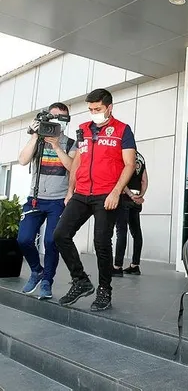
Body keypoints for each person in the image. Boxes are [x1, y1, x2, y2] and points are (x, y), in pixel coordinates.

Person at [53, 89, 137, 312]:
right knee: (60, 234)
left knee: (101, 242)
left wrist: (116, 192)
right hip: (81, 192)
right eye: (91, 109)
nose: (94, 113)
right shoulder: (83, 129)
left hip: (106, 194)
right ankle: (80, 280)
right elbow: (78, 162)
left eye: (98, 109)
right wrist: (70, 190)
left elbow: (129, 164)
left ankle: (104, 290)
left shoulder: (122, 130)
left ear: (109, 107)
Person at [17, 102, 76, 300]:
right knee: (24, 239)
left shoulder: (71, 143)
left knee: (51, 241)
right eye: (53, 117)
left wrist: (57, 146)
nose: (57, 121)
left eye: (61, 118)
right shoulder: (38, 141)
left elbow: (73, 167)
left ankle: (47, 282)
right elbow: (22, 160)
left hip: (58, 200)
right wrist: (35, 135)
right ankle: (37, 270)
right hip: (35, 199)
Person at [113, 151, 148, 276]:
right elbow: (144, 180)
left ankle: (117, 267)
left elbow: (121, 178)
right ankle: (135, 265)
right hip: (136, 199)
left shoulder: (124, 155)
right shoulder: (141, 157)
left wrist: (130, 195)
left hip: (124, 197)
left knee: (121, 231)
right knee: (136, 232)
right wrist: (140, 195)